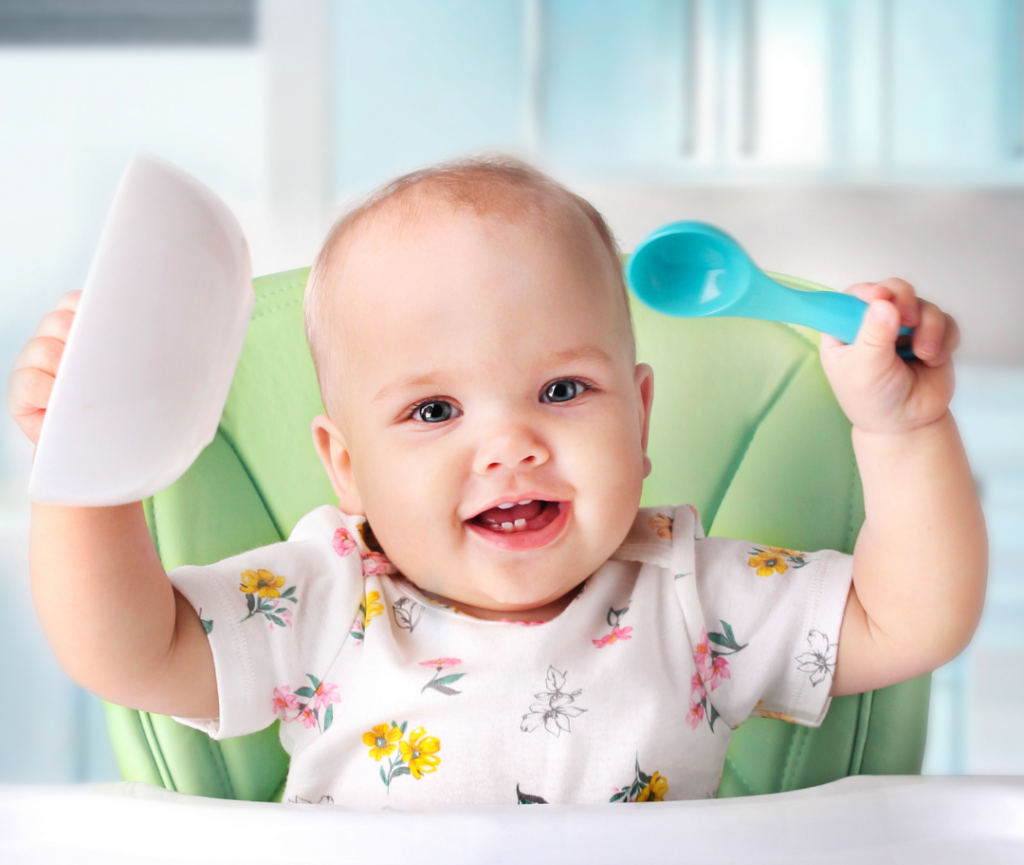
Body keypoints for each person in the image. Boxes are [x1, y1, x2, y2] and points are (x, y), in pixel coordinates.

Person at [7, 157, 985, 806]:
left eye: (562, 389)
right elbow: (128, 650)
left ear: (640, 419)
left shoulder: (690, 593)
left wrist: (902, 430)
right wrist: (89, 469)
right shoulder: (322, 599)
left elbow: (907, 620)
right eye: (434, 412)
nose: (510, 444)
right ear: (345, 467)